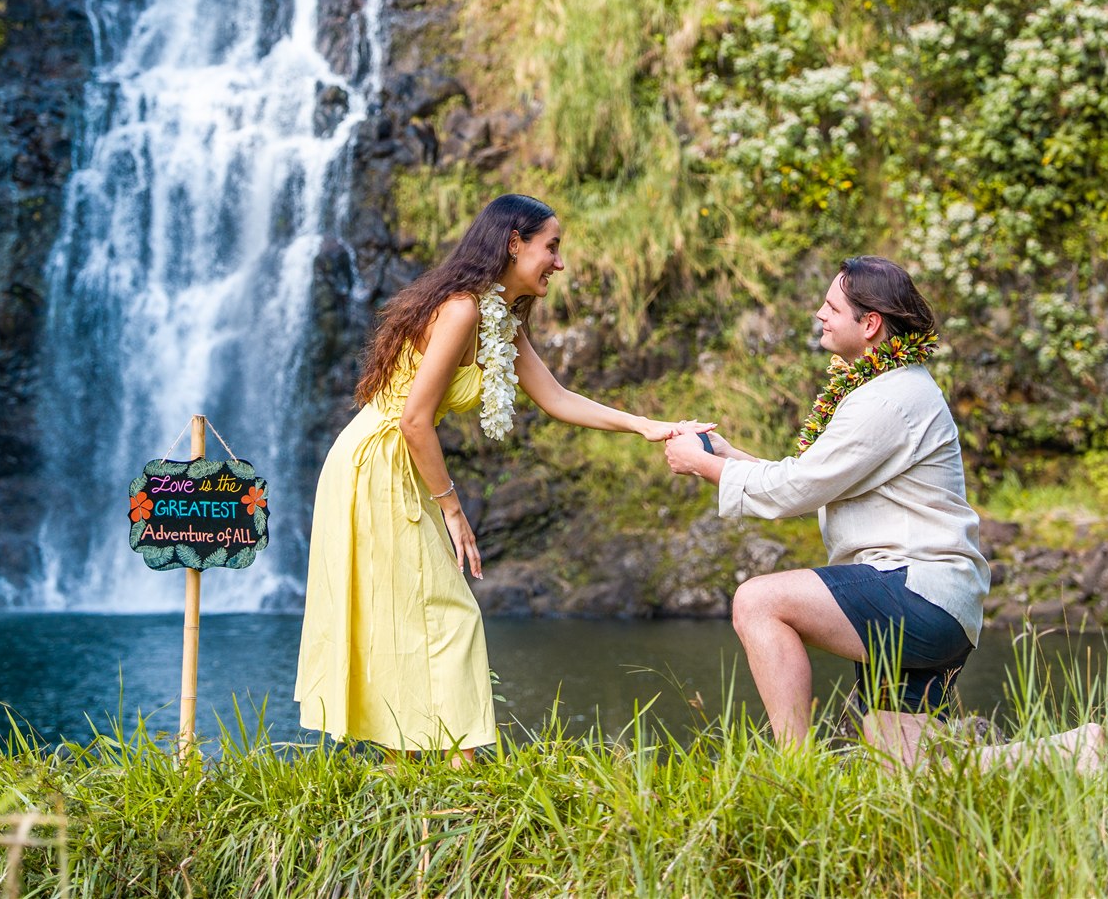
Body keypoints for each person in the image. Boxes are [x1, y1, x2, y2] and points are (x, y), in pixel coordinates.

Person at [295, 193, 711, 760]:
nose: (559, 264)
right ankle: (454, 766)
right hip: (376, 462)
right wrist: (454, 510)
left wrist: (647, 426)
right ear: (514, 243)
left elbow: (558, 398)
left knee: (415, 609)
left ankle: (412, 764)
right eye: (552, 247)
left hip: (397, 462)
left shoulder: (498, 320)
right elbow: (416, 419)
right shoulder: (463, 310)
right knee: (441, 609)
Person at [662, 256, 994, 758]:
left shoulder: (887, 399)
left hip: (916, 591)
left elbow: (797, 488)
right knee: (910, 775)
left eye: (832, 306)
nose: (819, 313)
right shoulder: (893, 388)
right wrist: (727, 455)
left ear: (870, 324)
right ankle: (1080, 751)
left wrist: (703, 466)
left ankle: (796, 772)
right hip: (934, 599)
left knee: (757, 600)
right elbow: (815, 481)